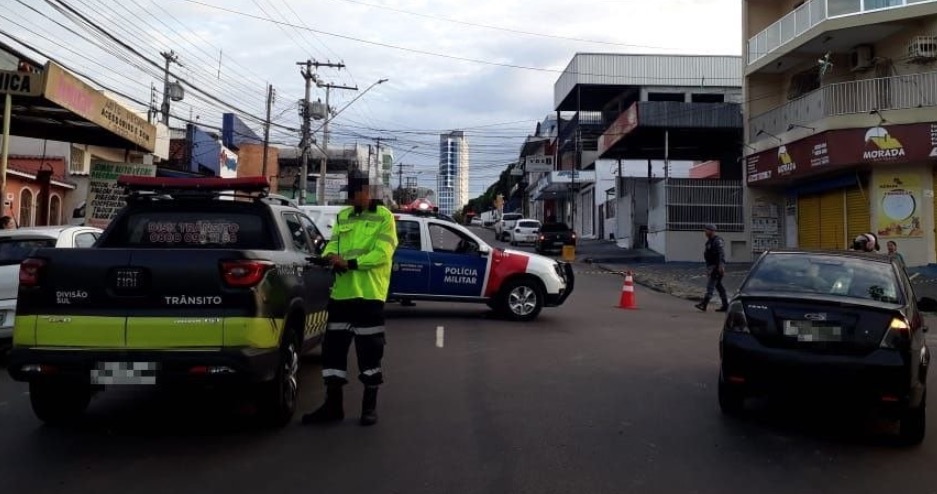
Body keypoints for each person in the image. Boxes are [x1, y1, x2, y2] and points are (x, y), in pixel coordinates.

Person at [302, 169, 398, 427]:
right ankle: (333, 407)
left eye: (354, 195)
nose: (350, 200)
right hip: (342, 295)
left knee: (370, 354)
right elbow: (335, 242)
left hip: (368, 295)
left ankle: (369, 408)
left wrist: (349, 263)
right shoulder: (344, 216)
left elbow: (382, 254)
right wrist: (329, 255)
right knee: (333, 354)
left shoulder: (384, 218)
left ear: (367, 193)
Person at [695, 224, 728, 313]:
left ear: (712, 231)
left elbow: (721, 254)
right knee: (719, 286)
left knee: (711, 285)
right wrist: (708, 269)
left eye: (707, 230)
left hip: (717, 267)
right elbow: (708, 257)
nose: (705, 232)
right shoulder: (709, 242)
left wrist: (721, 266)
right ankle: (725, 305)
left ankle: (704, 304)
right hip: (712, 267)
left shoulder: (717, 241)